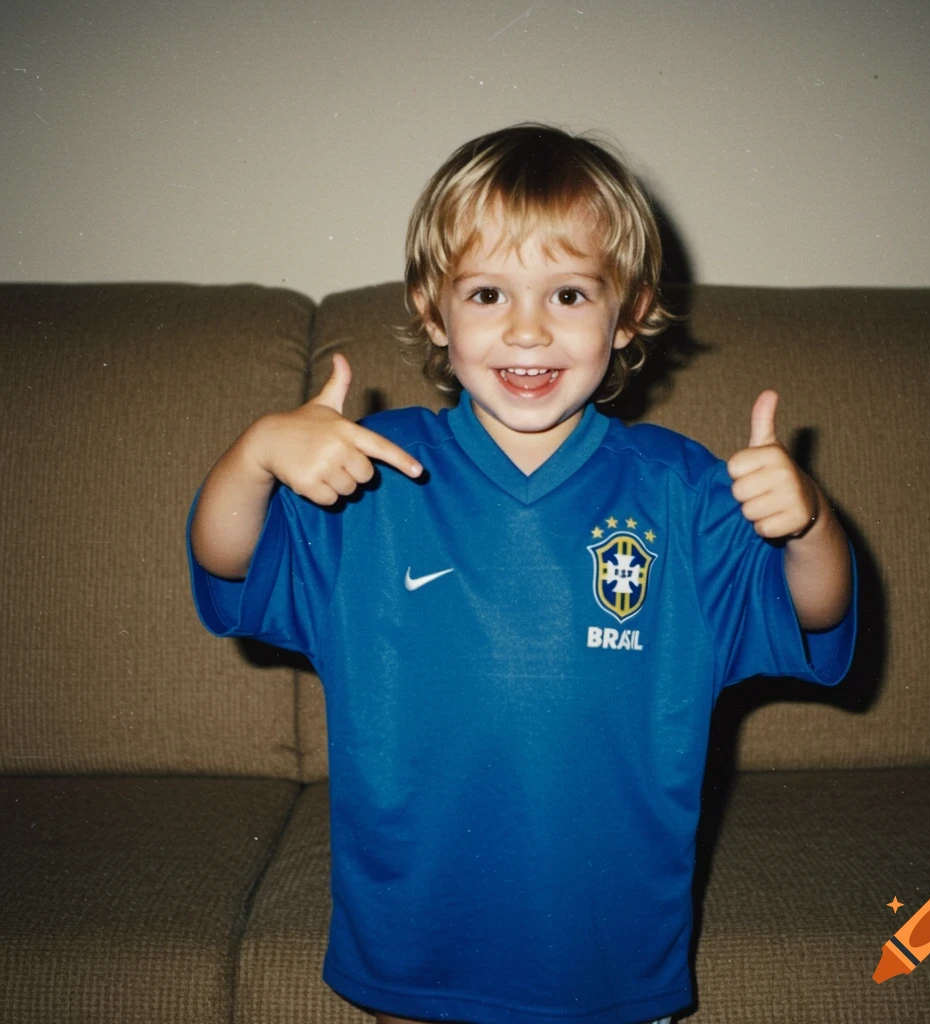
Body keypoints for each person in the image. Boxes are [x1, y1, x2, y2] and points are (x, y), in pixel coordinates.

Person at [188, 124, 856, 1024]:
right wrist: (256, 452)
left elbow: (815, 613)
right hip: (413, 942)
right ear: (434, 309)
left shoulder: (682, 488)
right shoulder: (367, 477)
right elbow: (225, 558)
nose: (528, 328)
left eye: (570, 293)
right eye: (490, 292)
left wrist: (809, 521)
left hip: (613, 949)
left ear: (627, 315)